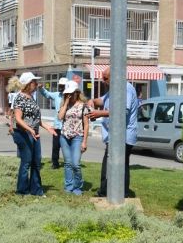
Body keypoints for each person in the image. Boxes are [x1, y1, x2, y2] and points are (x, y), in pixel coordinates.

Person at [87, 67, 139, 198]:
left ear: (115, 75)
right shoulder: (114, 89)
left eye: (105, 78)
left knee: (113, 164)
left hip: (123, 136)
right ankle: (118, 192)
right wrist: (92, 101)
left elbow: (122, 111)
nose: (102, 80)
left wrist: (99, 113)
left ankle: (108, 192)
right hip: (115, 136)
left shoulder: (125, 88)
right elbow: (102, 100)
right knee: (116, 164)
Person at [11, 72, 57, 196]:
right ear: (28, 84)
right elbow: (18, 119)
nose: (36, 84)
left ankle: (36, 190)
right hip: (23, 133)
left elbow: (37, 119)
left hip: (33, 134)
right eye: (34, 82)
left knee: (36, 161)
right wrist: (29, 129)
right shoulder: (19, 98)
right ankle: (22, 191)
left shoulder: (32, 97)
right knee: (26, 162)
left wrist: (48, 127)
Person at [57, 80, 90, 195]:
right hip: (64, 136)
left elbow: (86, 125)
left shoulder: (83, 106)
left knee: (75, 163)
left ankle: (77, 186)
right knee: (67, 163)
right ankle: (69, 186)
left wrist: (84, 141)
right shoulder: (64, 105)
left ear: (77, 92)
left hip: (77, 137)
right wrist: (66, 102)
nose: (69, 96)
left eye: (71, 94)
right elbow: (60, 117)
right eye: (67, 94)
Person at [38, 77, 68, 169]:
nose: (60, 87)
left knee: (66, 146)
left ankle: (68, 163)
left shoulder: (69, 97)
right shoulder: (56, 95)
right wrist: (41, 88)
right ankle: (55, 163)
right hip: (57, 125)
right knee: (56, 145)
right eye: (59, 85)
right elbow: (47, 94)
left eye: (62, 86)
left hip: (67, 126)